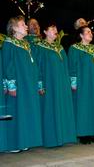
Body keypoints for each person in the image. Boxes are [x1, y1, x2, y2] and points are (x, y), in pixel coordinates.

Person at [2, 15, 42, 152]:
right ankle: (13, 143)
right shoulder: (9, 43)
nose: (26, 26)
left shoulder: (26, 44)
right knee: (16, 111)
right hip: (18, 84)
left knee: (25, 112)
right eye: (23, 24)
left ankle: (24, 140)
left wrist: (37, 82)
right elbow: (8, 66)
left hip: (28, 84)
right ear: (14, 28)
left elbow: (33, 64)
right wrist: (11, 86)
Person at [36, 22, 77, 147]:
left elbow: (66, 68)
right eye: (52, 28)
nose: (56, 30)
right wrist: (40, 85)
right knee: (50, 109)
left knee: (62, 109)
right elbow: (37, 68)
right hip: (50, 84)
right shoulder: (39, 47)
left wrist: (69, 83)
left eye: (56, 28)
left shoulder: (59, 48)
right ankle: (51, 139)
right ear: (45, 32)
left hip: (62, 84)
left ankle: (63, 137)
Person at [68, 25, 94, 144]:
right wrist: (73, 82)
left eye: (91, 32)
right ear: (81, 35)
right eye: (87, 32)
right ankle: (83, 134)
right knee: (84, 107)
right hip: (84, 82)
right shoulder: (74, 48)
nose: (90, 34)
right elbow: (72, 66)